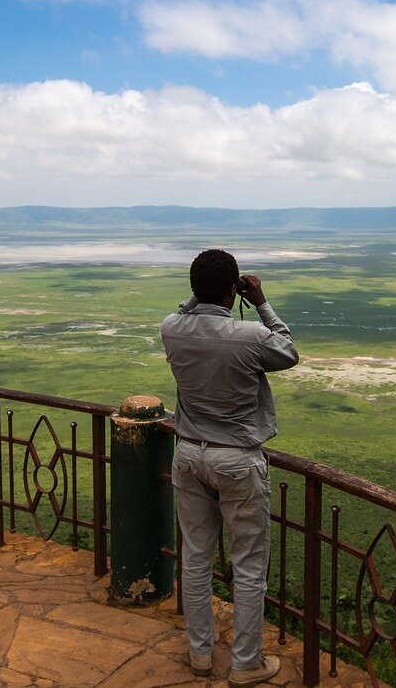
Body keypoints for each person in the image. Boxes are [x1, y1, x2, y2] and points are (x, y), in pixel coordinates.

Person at [160, 249, 299, 687]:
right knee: (249, 565)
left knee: (196, 559)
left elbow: (186, 311)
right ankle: (245, 664)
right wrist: (259, 300)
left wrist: (200, 296)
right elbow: (289, 351)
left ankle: (200, 656)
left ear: (194, 287)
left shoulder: (172, 329)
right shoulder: (251, 336)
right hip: (237, 459)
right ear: (232, 287)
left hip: (188, 454)